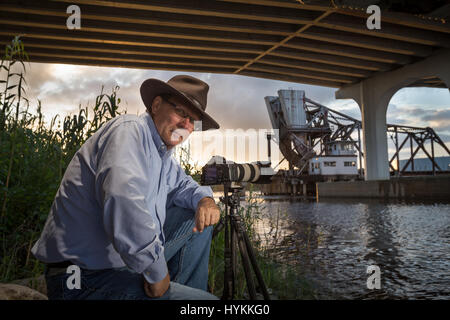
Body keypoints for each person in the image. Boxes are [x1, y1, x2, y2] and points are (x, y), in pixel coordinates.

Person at [31, 75, 221, 300]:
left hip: (116, 265)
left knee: (197, 215)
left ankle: (183, 294)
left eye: (194, 121)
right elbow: (124, 201)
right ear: (156, 105)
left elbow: (183, 185)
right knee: (207, 304)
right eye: (181, 113)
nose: (186, 126)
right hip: (79, 276)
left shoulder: (162, 155)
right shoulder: (129, 132)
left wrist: (205, 200)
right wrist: (156, 273)